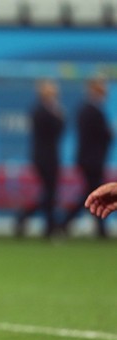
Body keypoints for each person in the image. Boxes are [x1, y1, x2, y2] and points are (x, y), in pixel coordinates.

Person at [60, 77, 113, 238]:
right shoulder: (92, 111)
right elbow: (101, 135)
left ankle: (97, 229)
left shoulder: (87, 109)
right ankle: (64, 223)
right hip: (92, 160)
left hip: (89, 159)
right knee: (93, 194)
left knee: (92, 193)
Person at [15, 79, 65, 238]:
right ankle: (44, 225)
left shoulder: (48, 110)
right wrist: (58, 115)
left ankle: (40, 223)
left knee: (49, 193)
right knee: (49, 193)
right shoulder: (41, 111)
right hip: (44, 158)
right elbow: (55, 129)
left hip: (49, 156)